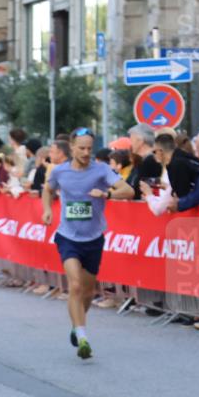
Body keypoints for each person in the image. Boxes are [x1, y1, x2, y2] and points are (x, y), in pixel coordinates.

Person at [42, 128, 134, 359]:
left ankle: (77, 324)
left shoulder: (101, 170)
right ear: (71, 148)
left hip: (93, 237)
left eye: (89, 148)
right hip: (68, 236)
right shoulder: (60, 171)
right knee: (74, 285)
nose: (85, 152)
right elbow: (47, 189)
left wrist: (108, 195)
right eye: (81, 148)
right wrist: (46, 209)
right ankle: (83, 336)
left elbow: (128, 190)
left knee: (88, 290)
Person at [127, 123, 162, 199]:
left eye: (132, 140)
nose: (130, 144)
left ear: (140, 141)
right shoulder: (141, 161)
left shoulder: (152, 161)